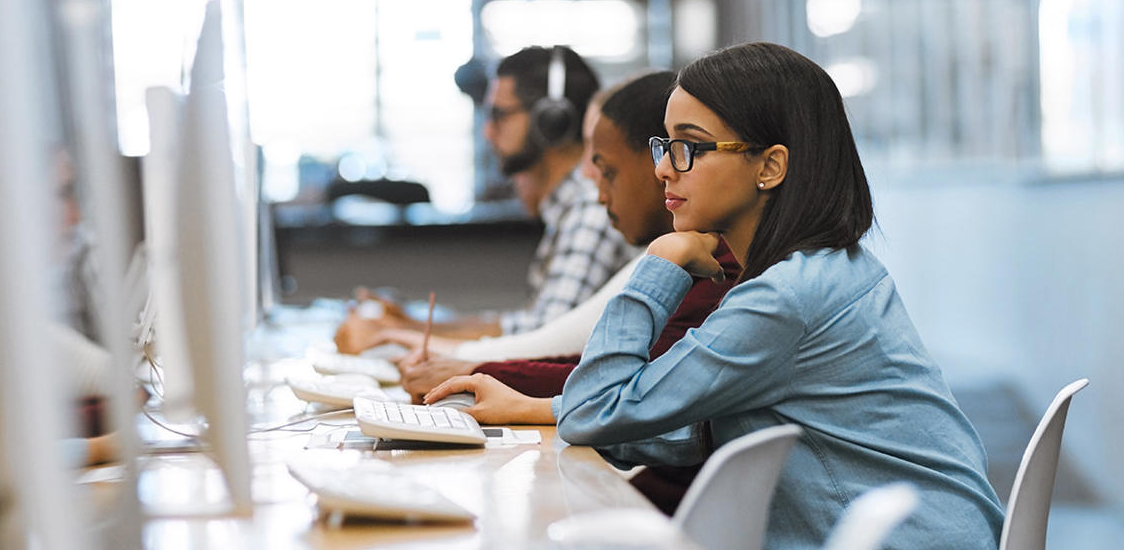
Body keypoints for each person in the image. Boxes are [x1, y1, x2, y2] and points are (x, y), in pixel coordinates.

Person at [427, 42, 1005, 548]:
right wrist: (538, 409)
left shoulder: (785, 299)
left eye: (690, 148)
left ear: (771, 166)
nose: (663, 171)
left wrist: (659, 261)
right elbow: (702, 425)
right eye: (664, 145)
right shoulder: (826, 270)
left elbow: (595, 410)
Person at [396, 72, 734, 400]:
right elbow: (608, 378)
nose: (663, 169)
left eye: (690, 148)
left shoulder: (716, 268)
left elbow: (620, 393)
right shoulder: (694, 253)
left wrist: (474, 372)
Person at [336, 46, 633, 349]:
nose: (487, 132)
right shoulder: (570, 208)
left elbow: (542, 340)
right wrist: (409, 325)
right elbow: (526, 325)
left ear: (550, 122)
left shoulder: (590, 209)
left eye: (499, 115)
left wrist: (399, 335)